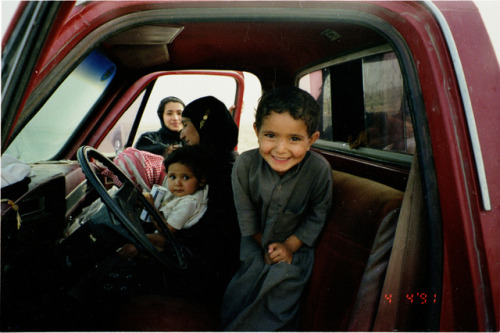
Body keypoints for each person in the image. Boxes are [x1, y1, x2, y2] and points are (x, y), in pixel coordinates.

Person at [220, 87, 333, 330]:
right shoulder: (245, 165)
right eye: (270, 135)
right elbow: (246, 214)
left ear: (311, 140)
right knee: (242, 289)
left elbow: (316, 215)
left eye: (294, 139)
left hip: (296, 248)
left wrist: (289, 248)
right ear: (256, 132)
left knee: (282, 287)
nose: (281, 149)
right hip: (254, 242)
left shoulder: (319, 170)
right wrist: (266, 246)